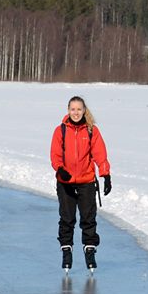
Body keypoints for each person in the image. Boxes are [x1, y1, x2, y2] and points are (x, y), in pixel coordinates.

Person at [50, 95, 112, 271]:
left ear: (84, 110)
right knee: (67, 218)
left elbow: (100, 154)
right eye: (72, 109)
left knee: (88, 218)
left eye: (79, 109)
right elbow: (55, 154)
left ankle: (90, 250)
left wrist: (106, 175)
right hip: (66, 182)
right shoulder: (60, 130)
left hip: (86, 181)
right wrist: (60, 169)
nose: (75, 112)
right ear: (68, 110)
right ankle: (67, 251)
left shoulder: (91, 130)